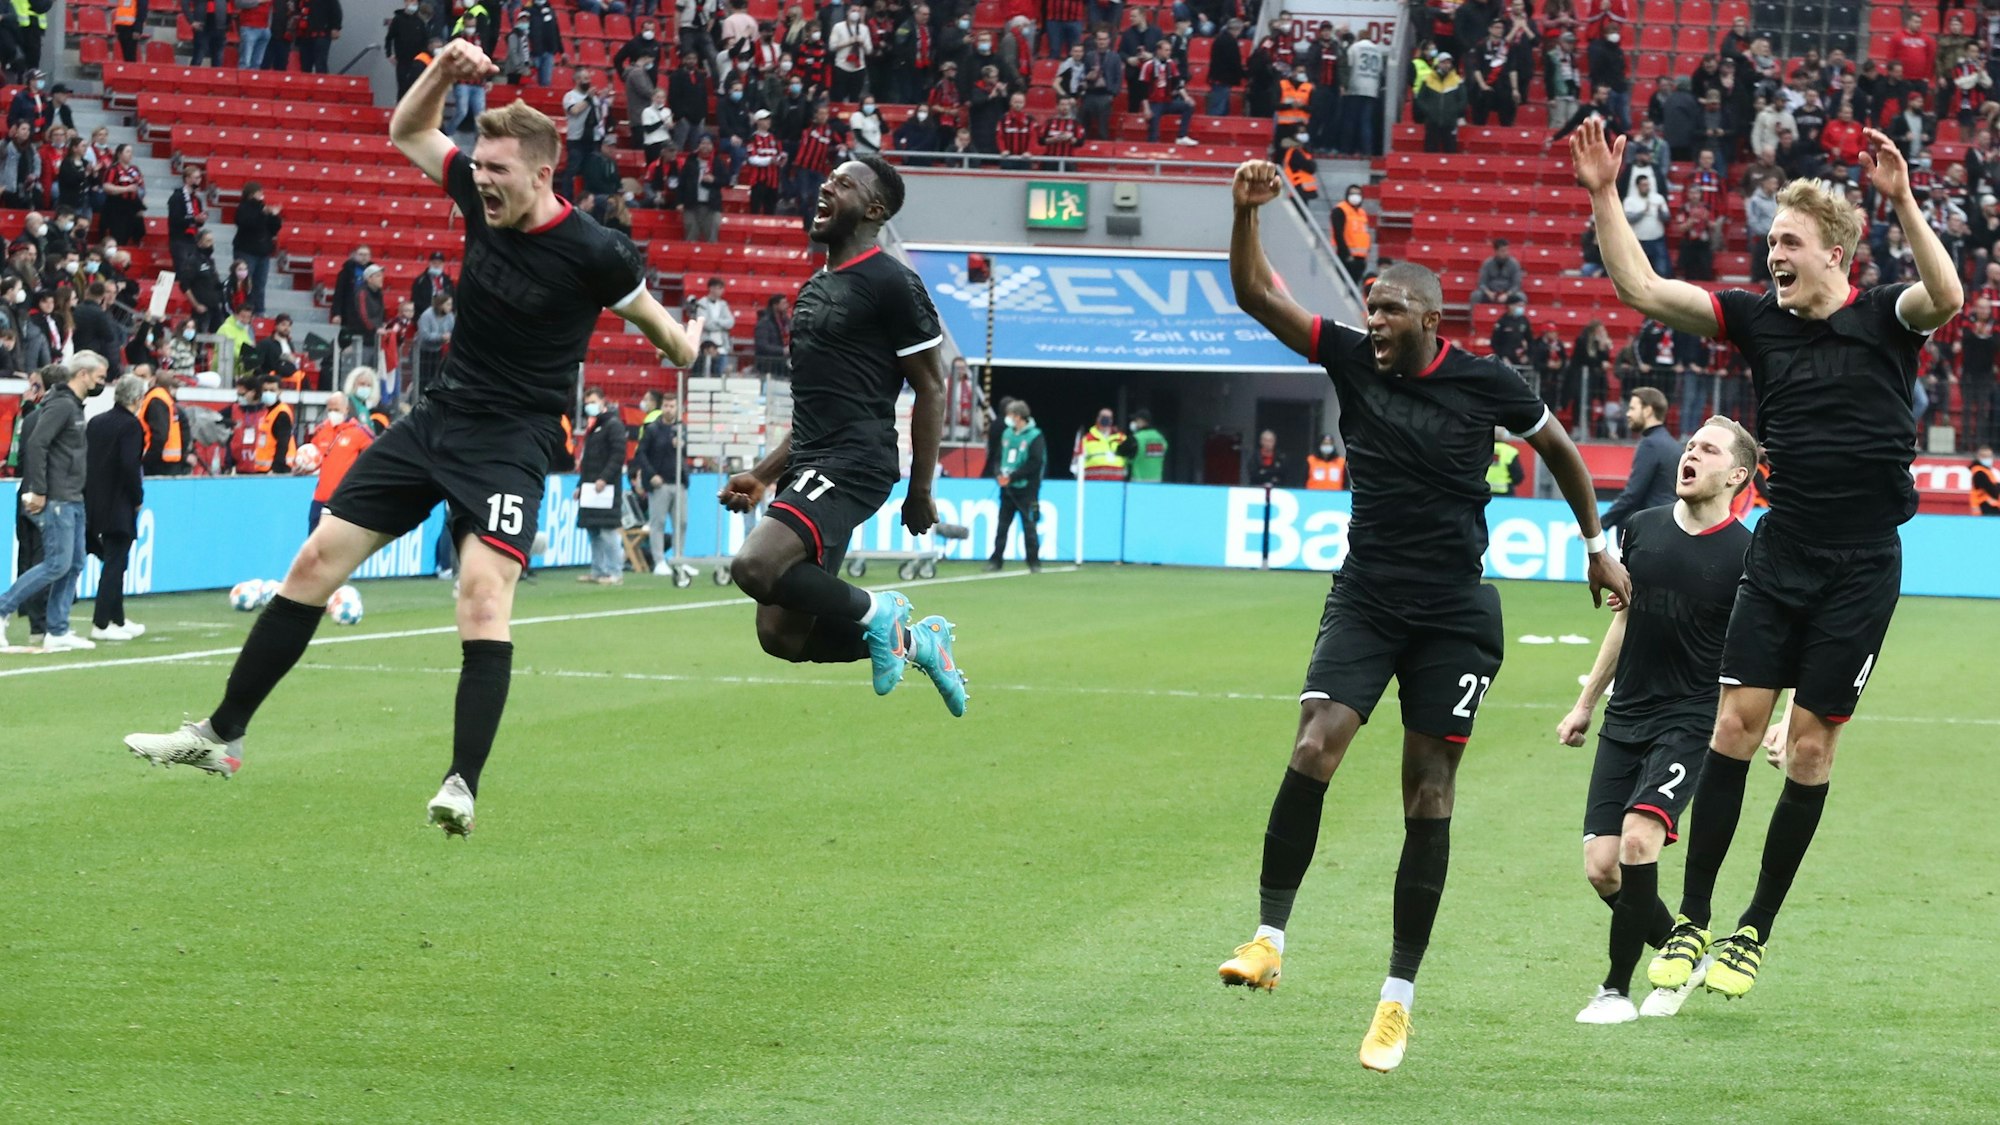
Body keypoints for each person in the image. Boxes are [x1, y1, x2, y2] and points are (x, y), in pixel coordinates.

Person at [123, 41, 704, 836]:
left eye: (498, 169)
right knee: (313, 560)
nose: (480, 178)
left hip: (516, 438)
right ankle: (220, 735)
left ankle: (462, 782)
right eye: (479, 165)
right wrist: (441, 72)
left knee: (480, 595)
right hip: (439, 418)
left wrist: (688, 341)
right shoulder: (478, 195)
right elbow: (407, 131)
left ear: (542, 172)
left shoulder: (596, 253)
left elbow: (666, 335)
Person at [1217, 158, 1628, 1072]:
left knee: (1427, 793)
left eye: (1390, 307)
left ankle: (1395, 1002)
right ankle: (1267, 939)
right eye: (1369, 304)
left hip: (1454, 612)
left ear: (1429, 319)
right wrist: (1244, 216)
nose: (1373, 318)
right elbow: (1256, 296)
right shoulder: (1349, 357)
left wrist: (1596, 543)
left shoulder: (1488, 382)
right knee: (1314, 743)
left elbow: (1559, 448)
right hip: (1366, 593)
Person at [1571, 118, 1962, 1000]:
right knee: (1735, 729)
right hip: (1782, 550)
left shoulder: (1884, 315)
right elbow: (1640, 286)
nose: (1771, 252)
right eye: (1770, 240)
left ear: (1834, 252)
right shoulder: (1757, 319)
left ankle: (1752, 931)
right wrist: (1602, 192)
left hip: (1863, 565)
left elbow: (1948, 295)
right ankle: (1696, 920)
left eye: (1787, 241)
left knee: (1813, 751)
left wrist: (1902, 199)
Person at [715, 154, 967, 718]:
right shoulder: (816, 288)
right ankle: (917, 642)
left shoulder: (893, 282)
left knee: (755, 567)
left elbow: (931, 387)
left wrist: (920, 489)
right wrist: (762, 474)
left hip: (855, 463)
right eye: (827, 179)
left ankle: (881, 611)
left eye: (843, 184)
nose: (826, 187)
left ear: (873, 209)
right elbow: (815, 411)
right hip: (811, 461)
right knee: (782, 636)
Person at [1558, 415, 1758, 1023]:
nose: (1690, 453)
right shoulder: (1641, 531)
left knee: (1640, 841)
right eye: (1690, 445)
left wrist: (1771, 718)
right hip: (1627, 716)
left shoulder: (1749, 552)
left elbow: (1769, 645)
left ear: (1737, 475)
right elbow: (1623, 620)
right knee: (1601, 869)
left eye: (1707, 449)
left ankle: (1615, 991)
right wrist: (1586, 703)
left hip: (1692, 719)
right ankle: (1683, 949)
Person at [0, 354, 111, 652]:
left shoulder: (72, 406)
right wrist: (38, 489)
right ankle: (2, 609)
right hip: (58, 497)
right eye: (99, 377)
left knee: (73, 563)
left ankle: (58, 629)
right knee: (56, 563)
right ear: (84, 374)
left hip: (73, 496)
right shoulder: (62, 405)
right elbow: (37, 443)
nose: (102, 383)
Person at [84, 373, 147, 642]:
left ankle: (117, 619)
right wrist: (137, 497)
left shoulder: (96, 422)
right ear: (136, 399)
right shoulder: (131, 426)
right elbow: (129, 465)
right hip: (118, 502)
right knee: (115, 563)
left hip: (94, 500)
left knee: (115, 562)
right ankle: (101, 622)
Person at [1600, 386, 1675, 536]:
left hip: (1648, 533)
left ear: (1647, 411)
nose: (1628, 414)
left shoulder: (1650, 444)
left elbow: (1632, 495)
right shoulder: (1673, 445)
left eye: (1632, 408)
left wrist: (1600, 524)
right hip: (1668, 529)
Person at [575, 385, 628, 585]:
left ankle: (615, 572)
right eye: (587, 403)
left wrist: (604, 478)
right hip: (591, 488)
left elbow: (618, 455)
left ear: (603, 402)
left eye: (593, 402)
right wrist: (581, 485)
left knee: (607, 530)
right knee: (594, 530)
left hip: (606, 488)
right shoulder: (595, 427)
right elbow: (588, 462)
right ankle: (598, 570)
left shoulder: (613, 425)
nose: (589, 406)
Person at [303, 388, 374, 530]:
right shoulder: (321, 430)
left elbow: (374, 457)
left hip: (344, 500)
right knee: (314, 545)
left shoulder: (359, 432)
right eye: (330, 410)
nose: (332, 413)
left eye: (336, 409)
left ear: (346, 409)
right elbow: (312, 458)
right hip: (320, 498)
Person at [986, 398, 1043, 571]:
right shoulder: (1007, 434)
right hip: (1007, 488)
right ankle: (996, 560)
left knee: (1029, 526)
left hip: (1026, 489)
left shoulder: (1035, 436)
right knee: (1002, 526)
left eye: (1010, 415)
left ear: (1018, 416)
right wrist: (998, 474)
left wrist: (1014, 476)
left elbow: (1035, 462)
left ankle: (1033, 561)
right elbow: (997, 457)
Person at [632, 395, 683, 572]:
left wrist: (682, 446)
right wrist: (650, 474)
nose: (669, 409)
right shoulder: (653, 429)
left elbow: (688, 453)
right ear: (662, 407)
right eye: (666, 405)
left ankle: (679, 559)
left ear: (677, 407)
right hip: (659, 483)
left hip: (679, 482)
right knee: (658, 523)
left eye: (672, 405)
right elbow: (641, 453)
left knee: (681, 523)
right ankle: (659, 560)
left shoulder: (682, 429)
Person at [1331, 183, 1369, 284]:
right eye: (1352, 193)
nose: (1355, 196)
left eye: (1358, 194)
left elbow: (1364, 234)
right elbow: (1338, 234)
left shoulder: (1362, 212)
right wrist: (1346, 255)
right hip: (1347, 257)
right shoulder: (1340, 210)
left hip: (1360, 258)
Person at [1077, 408, 1130, 480]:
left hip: (1117, 484)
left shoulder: (1122, 438)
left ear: (1112, 420)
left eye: (1109, 417)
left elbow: (1129, 460)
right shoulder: (1086, 439)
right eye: (1103, 416)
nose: (1106, 419)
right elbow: (1077, 464)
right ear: (1098, 418)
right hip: (1093, 483)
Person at [1475, 237, 1524, 305]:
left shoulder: (1514, 264)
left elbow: (1516, 285)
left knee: (1521, 296)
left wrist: (1507, 294)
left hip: (1508, 293)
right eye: (1503, 251)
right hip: (1491, 293)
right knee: (1476, 295)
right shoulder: (1487, 263)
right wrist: (1488, 292)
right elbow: (1481, 283)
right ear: (1496, 251)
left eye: (1507, 250)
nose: (1506, 253)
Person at [1127, 409, 1167, 482]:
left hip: (1138, 484)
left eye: (1136, 420)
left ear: (1142, 421)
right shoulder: (1161, 438)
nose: (1134, 423)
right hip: (1156, 483)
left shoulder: (1136, 438)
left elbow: (1124, 455)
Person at [1971, 445, 2000, 515]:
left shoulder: (1985, 471)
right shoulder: (1980, 473)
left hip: (1987, 505)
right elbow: (1993, 491)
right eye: (1985, 456)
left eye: (1989, 456)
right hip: (1986, 506)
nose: (1988, 459)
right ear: (1978, 457)